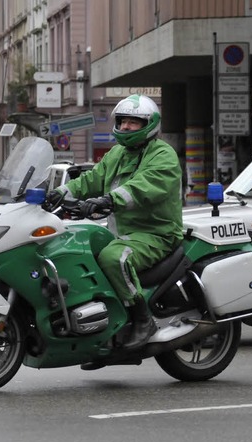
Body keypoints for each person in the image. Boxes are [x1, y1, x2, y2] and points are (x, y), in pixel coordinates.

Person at [44, 94, 183, 357]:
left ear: (150, 125)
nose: (128, 127)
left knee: (112, 258)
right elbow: (91, 179)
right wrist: (59, 193)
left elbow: (144, 187)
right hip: (122, 234)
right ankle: (99, 327)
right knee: (74, 250)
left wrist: (108, 200)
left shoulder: (162, 155)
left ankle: (142, 318)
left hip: (156, 234)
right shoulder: (117, 153)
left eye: (135, 122)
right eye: (123, 121)